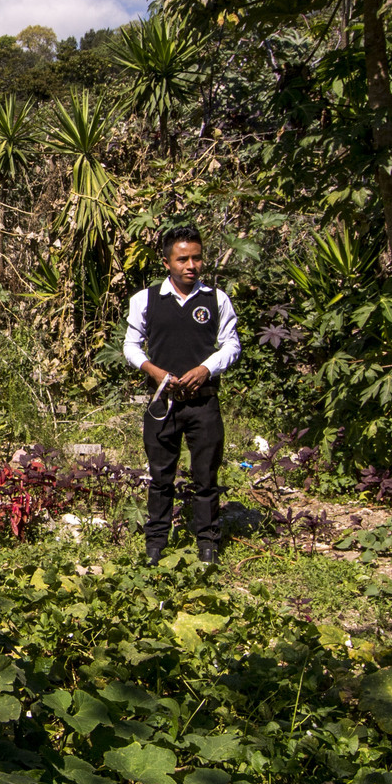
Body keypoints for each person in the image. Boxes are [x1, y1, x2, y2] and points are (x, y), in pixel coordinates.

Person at [123, 226, 240, 565]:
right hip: (163, 404)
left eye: (197, 258)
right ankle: (155, 545)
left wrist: (207, 368)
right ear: (166, 262)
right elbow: (131, 346)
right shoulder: (145, 300)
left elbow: (231, 344)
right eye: (183, 259)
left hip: (203, 402)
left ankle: (208, 545)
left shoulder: (215, 300)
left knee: (206, 476)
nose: (191, 265)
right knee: (161, 477)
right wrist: (154, 371)